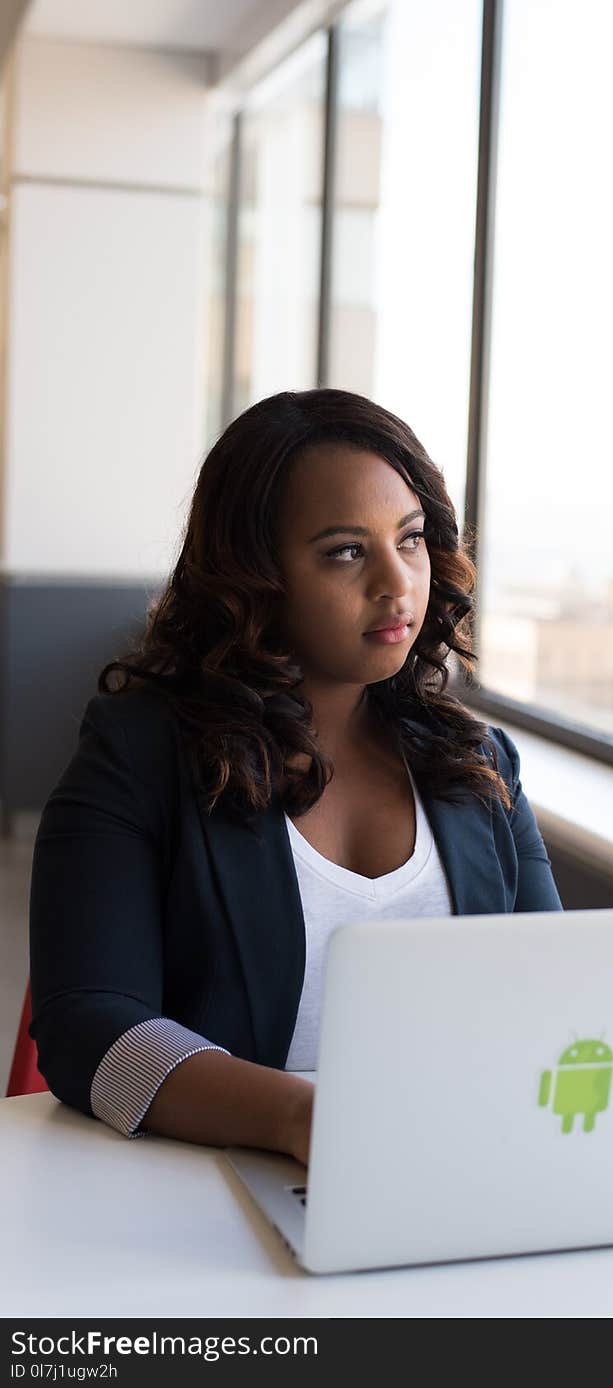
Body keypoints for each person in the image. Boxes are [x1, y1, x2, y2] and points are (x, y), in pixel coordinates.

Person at [28, 388, 563, 1166]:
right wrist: (303, 1120)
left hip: (457, 1169)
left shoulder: (479, 764)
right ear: (254, 576)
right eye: (346, 551)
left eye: (409, 540)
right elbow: (87, 1025)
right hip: (227, 1185)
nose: (396, 583)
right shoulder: (139, 752)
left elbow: (560, 993)